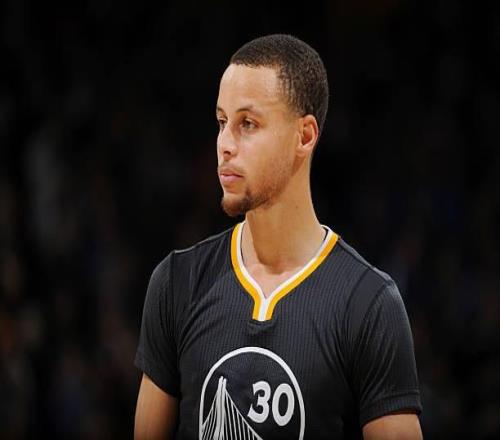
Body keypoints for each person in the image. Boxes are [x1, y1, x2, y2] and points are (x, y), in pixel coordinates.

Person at [134, 34, 422, 439]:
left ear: (304, 136)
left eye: (247, 124)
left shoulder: (369, 304)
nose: (224, 145)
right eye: (221, 122)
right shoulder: (176, 281)